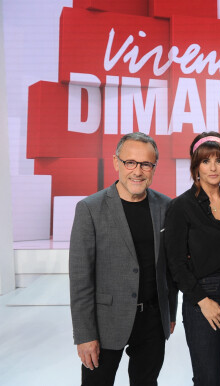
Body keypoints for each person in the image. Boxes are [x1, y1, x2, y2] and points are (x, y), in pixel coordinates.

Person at [69, 132, 178, 386]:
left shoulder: (166, 207)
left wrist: (169, 312)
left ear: (154, 168)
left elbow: (170, 268)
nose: (137, 171)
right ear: (116, 162)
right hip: (106, 322)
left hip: (152, 320)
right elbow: (80, 279)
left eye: (145, 164)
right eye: (130, 162)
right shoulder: (90, 209)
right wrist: (84, 335)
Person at [163, 132, 220, 385]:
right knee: (208, 377)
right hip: (203, 293)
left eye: (219, 160)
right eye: (205, 161)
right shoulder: (181, 206)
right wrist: (202, 300)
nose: (213, 167)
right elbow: (175, 263)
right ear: (195, 166)